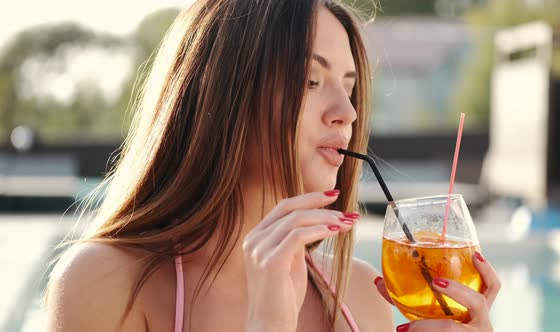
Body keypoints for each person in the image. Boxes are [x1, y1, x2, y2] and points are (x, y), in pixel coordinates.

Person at [46, 1, 501, 331]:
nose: (348, 111)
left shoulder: (363, 294)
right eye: (310, 80)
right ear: (222, 96)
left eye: (350, 86)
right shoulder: (103, 284)